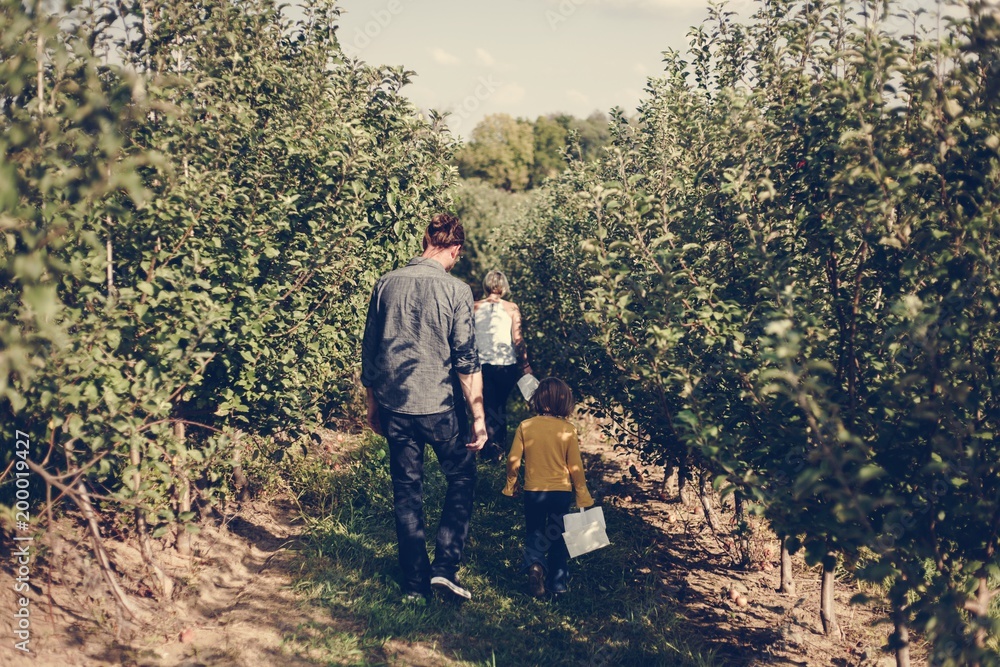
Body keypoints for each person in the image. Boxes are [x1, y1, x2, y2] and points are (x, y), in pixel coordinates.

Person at [361, 213, 489, 603]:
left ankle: (415, 585)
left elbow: (370, 350)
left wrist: (372, 404)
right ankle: (444, 569)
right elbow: (466, 360)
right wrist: (479, 418)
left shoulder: (386, 283)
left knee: (406, 491)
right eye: (457, 256)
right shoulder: (457, 291)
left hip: (396, 405)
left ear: (424, 241)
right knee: (462, 477)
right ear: (455, 249)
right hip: (440, 406)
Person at [502, 377, 594, 598]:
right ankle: (558, 584)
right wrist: (582, 494)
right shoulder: (568, 430)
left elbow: (513, 459)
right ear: (565, 403)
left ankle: (535, 565)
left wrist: (511, 484)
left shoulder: (526, 426)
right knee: (558, 536)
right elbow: (576, 466)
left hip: (533, 492)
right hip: (560, 493)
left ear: (538, 400)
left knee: (534, 531)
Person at [473, 270, 532, 462]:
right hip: (506, 366)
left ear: (486, 285)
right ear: (503, 286)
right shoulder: (512, 308)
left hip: (481, 366)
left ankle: (488, 452)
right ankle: (498, 451)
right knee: (499, 408)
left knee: (487, 407)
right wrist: (525, 364)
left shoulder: (474, 307)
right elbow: (518, 339)